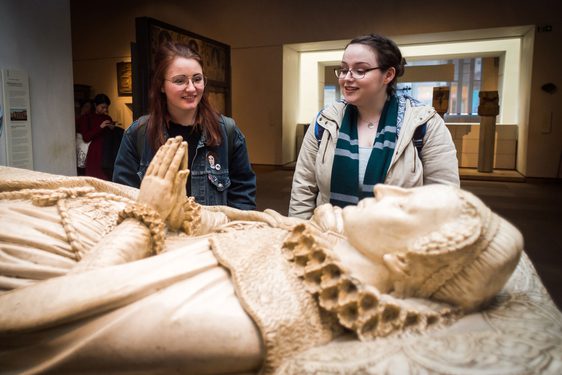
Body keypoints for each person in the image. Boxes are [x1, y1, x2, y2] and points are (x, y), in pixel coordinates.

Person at [0, 138, 523, 374]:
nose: (389, 191)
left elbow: (25, 324)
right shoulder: (324, 249)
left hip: (44, 244)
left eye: (407, 207)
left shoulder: (251, 318)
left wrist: (145, 218)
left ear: (405, 265)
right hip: (81, 213)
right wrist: (193, 217)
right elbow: (242, 231)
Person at [289, 34, 460, 219]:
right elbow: (303, 189)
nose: (347, 78)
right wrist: (299, 235)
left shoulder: (424, 123)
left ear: (388, 75)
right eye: (344, 69)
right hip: (328, 239)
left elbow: (443, 199)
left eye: (360, 70)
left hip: (398, 243)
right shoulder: (325, 121)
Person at [113, 41, 256, 210]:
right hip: (159, 234)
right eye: (180, 81)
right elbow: (123, 198)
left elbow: (243, 198)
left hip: (212, 234)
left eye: (197, 79)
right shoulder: (138, 134)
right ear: (161, 86)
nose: (191, 88)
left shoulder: (228, 131)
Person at [77, 93, 119, 181]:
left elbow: (110, 136)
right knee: (95, 179)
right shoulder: (87, 118)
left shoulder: (107, 117)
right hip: (95, 152)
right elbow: (86, 137)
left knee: (107, 178)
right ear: (95, 105)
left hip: (107, 151)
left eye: (106, 107)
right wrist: (100, 127)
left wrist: (112, 128)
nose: (105, 109)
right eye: (102, 107)